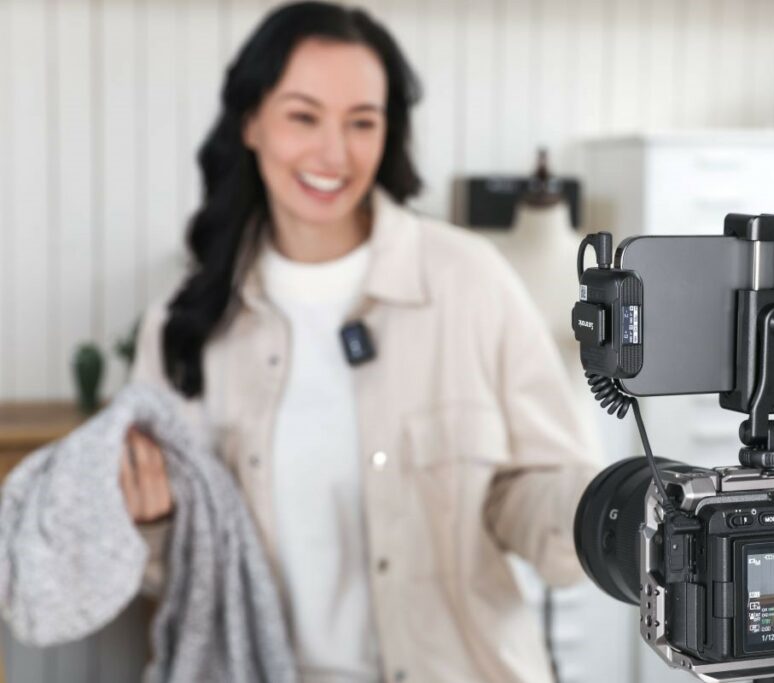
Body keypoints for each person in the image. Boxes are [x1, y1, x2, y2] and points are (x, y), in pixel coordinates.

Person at [118, 3, 599, 682]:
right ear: (251, 121)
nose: (334, 153)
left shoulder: (470, 281)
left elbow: (539, 490)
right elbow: (162, 572)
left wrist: (614, 518)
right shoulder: (181, 324)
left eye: (362, 122)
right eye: (303, 116)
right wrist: (151, 521)